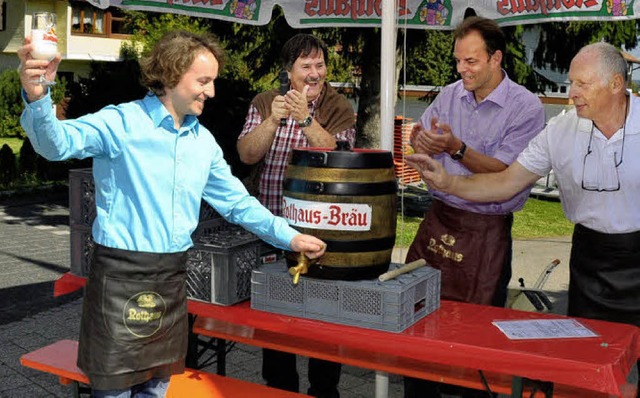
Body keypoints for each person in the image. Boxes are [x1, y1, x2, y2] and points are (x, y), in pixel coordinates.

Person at [17, 30, 326, 398]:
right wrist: (38, 97)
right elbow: (56, 144)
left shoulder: (203, 142)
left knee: (157, 390)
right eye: (203, 81)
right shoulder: (121, 123)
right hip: (120, 277)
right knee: (114, 393)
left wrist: (290, 236)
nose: (211, 92)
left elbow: (238, 203)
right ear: (171, 74)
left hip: (172, 278)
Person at [406, 41, 640, 395]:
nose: (571, 92)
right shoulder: (561, 130)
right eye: (572, 82)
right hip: (590, 260)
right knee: (589, 369)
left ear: (616, 85)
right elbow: (506, 181)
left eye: (582, 84)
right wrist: (449, 181)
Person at [402, 16, 545, 398]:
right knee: (417, 323)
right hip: (439, 219)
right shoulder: (450, 94)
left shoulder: (526, 107)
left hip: (487, 229)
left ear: (496, 58)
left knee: (478, 342)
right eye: (458, 61)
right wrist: (424, 143)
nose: (462, 69)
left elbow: (505, 173)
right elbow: (426, 139)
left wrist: (455, 148)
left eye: (471, 61)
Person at [237, 33, 355, 397]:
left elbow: (338, 157)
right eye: (306, 66)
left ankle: (324, 388)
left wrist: (305, 119)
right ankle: (280, 387)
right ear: (289, 72)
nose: (315, 73)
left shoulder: (338, 106)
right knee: (276, 314)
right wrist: (272, 122)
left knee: (324, 316)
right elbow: (246, 155)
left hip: (322, 234)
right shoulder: (264, 101)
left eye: (320, 65)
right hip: (272, 227)